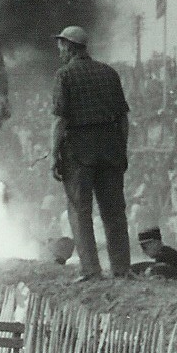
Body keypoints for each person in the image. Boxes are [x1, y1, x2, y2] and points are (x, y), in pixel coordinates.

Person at [50, 25, 132, 281]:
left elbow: (60, 121)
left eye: (61, 45)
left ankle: (91, 270)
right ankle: (121, 269)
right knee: (114, 212)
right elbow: (123, 119)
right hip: (111, 150)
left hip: (79, 153)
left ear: (69, 47)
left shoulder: (64, 75)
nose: (59, 50)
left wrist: (53, 154)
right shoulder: (109, 73)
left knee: (79, 211)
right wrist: (121, 148)